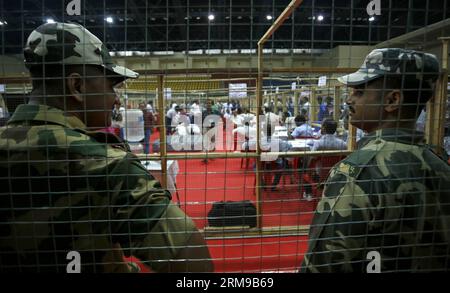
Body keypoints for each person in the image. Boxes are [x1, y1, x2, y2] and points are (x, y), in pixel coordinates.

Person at [0, 22, 213, 273]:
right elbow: (196, 266)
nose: (115, 98)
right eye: (110, 84)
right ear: (77, 86)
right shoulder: (106, 165)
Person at [300, 48, 450, 272]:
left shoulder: (359, 171)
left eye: (359, 92)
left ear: (392, 100)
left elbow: (325, 263)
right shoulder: (440, 165)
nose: (350, 99)